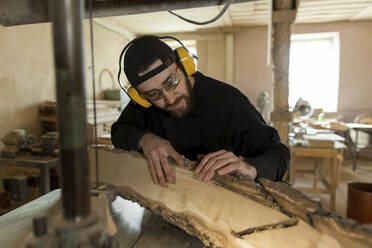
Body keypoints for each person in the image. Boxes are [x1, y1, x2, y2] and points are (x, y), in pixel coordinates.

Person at [111, 36, 290, 187]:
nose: (170, 99)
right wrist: (144, 140)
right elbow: (119, 130)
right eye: (154, 94)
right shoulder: (145, 106)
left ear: (184, 66)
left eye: (171, 82)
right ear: (141, 96)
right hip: (165, 201)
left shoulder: (228, 100)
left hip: (219, 207)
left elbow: (278, 152)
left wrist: (252, 168)